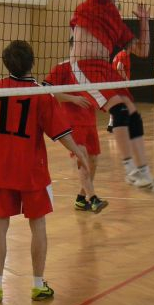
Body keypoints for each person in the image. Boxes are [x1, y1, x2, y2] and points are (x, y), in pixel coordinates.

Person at [0, 40, 90, 304]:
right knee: (38, 225)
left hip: (2, 170)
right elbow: (60, 132)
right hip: (32, 172)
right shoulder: (41, 95)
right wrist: (79, 153)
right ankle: (38, 286)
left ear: (6, 63)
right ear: (32, 63)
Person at [70, 0, 154, 197]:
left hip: (104, 68)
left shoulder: (115, 21)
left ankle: (143, 171)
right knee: (121, 110)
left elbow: (143, 50)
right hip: (84, 67)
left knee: (133, 113)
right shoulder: (93, 3)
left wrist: (144, 22)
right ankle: (130, 169)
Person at [44, 42, 108, 213]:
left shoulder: (92, 69)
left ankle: (81, 198)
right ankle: (93, 199)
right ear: (73, 48)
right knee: (83, 158)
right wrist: (72, 98)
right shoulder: (62, 68)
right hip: (72, 122)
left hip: (90, 121)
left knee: (93, 161)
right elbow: (46, 91)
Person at [107, 48, 131, 133]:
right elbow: (119, 67)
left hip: (115, 83)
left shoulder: (119, 54)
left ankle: (111, 125)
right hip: (120, 84)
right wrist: (126, 80)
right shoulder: (123, 54)